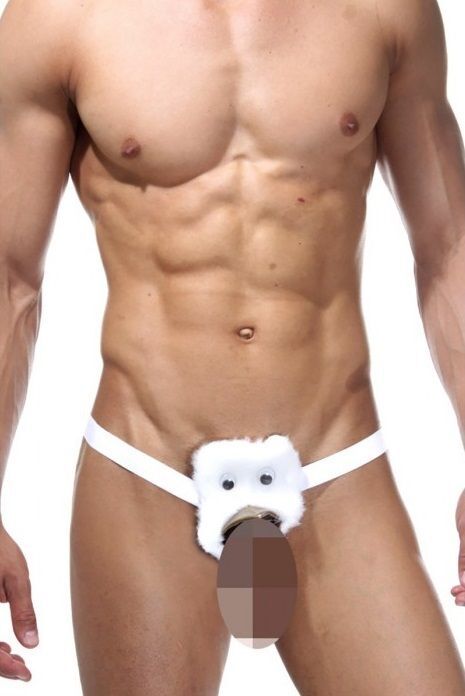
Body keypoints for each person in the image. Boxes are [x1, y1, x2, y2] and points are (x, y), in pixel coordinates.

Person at [1, 0, 465, 692]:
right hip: (145, 469)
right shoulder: (59, 17)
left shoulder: (386, 10)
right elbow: (11, 278)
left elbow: (448, 250)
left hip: (336, 465)